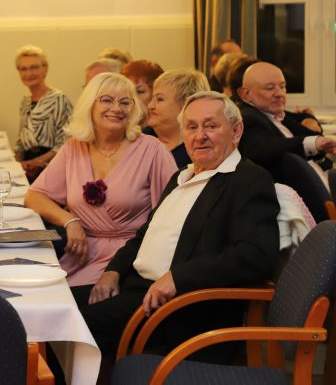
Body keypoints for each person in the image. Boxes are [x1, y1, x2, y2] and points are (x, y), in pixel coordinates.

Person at [78, 92, 280, 379]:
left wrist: (179, 277)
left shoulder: (248, 179)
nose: (200, 136)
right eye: (192, 127)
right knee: (56, 306)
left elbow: (255, 255)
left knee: (66, 328)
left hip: (179, 308)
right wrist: (113, 270)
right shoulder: (181, 177)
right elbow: (145, 235)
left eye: (211, 126)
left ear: (236, 131)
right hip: (135, 286)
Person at [25, 73, 177, 287]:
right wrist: (69, 220)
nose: (116, 108)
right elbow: (34, 196)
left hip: (130, 261)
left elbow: (173, 216)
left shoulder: (152, 150)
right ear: (90, 105)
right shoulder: (74, 148)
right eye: (107, 100)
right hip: (81, 255)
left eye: (125, 102)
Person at [237, 62, 336, 187]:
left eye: (282, 86)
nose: (280, 93)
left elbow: (309, 129)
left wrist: (319, 142)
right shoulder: (247, 117)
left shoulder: (272, 113)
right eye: (270, 88)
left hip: (322, 181)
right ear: (246, 94)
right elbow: (267, 147)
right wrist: (312, 143)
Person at [14, 45, 73, 182]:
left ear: (45, 68)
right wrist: (17, 163)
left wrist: (38, 161)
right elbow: (21, 141)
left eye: (34, 67)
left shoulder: (59, 99)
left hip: (51, 169)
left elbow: (67, 142)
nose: (29, 73)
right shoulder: (25, 102)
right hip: (27, 169)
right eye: (23, 69)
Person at [144, 69, 210, 169]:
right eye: (152, 98)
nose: (150, 106)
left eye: (160, 99)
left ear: (186, 104)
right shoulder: (142, 137)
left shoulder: (198, 150)